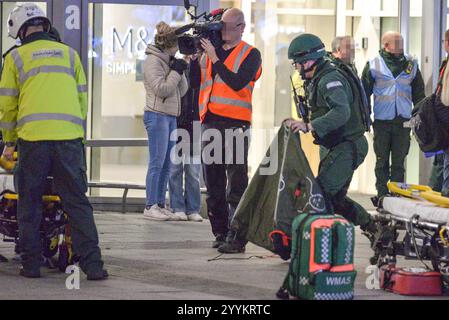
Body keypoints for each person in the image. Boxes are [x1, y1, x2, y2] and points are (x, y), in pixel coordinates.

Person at [0, 3, 107, 279]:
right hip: (68, 139)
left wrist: (10, 143)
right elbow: (82, 100)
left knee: (30, 202)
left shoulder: (16, 58)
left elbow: (8, 107)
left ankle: (31, 265)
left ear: (21, 30)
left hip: (33, 141)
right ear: (45, 25)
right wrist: (72, 133)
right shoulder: (70, 55)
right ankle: (94, 267)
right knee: (76, 203)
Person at [285, 33, 379, 243]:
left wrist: (309, 126)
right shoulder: (318, 77)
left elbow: (341, 113)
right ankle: (373, 227)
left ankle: (322, 245)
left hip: (348, 146)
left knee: (322, 194)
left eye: (298, 64)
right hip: (337, 145)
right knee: (334, 198)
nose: (297, 68)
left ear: (309, 61)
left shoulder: (329, 79)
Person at [197, 8, 262, 253]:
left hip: (236, 123)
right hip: (210, 122)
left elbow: (236, 82)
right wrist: (196, 59)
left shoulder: (251, 54)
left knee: (236, 181)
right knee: (212, 181)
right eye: (221, 25)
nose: (223, 30)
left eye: (228, 26)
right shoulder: (209, 53)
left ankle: (237, 236)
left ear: (241, 27)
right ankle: (220, 232)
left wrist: (215, 58)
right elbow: (199, 83)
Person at [362, 32, 425, 203]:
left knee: (399, 163)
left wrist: (418, 117)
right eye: (396, 42)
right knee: (381, 161)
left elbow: (419, 94)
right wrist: (365, 118)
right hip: (382, 122)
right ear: (386, 45)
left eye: (402, 42)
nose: (401, 45)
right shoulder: (374, 64)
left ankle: (397, 197)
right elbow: (363, 94)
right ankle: (382, 195)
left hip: (403, 121)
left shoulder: (411, 65)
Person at [143, 21, 188, 221]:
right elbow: (161, 89)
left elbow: (182, 90)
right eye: (176, 44)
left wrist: (180, 71)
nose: (178, 48)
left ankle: (160, 203)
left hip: (170, 115)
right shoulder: (153, 61)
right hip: (157, 115)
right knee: (157, 162)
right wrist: (176, 72)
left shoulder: (168, 60)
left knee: (167, 164)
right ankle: (150, 205)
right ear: (170, 43)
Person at [168, 54, 203, 222]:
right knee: (175, 169)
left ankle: (193, 208)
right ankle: (177, 207)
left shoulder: (203, 68)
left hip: (195, 124)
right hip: (177, 122)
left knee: (193, 171)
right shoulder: (176, 67)